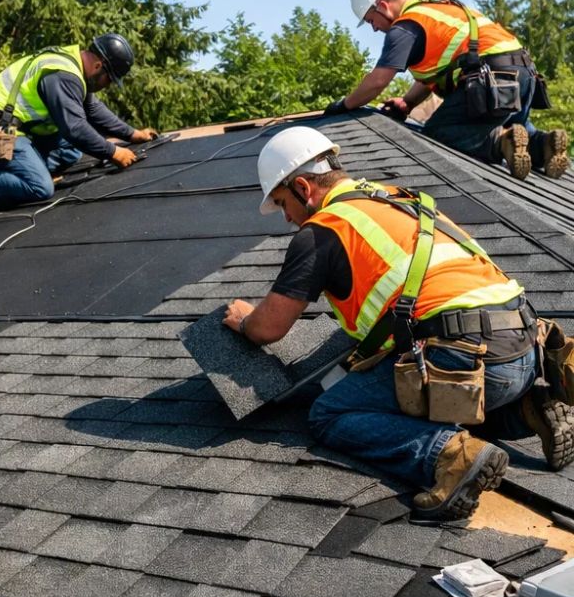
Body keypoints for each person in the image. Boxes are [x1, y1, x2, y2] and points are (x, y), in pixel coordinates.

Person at [223, 126, 574, 521]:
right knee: (434, 389)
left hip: (471, 359)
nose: (286, 217)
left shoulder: (323, 231)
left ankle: (450, 458)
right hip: (528, 347)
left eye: (283, 202)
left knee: (330, 414)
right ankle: (531, 407)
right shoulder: (395, 198)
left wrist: (244, 320)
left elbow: (269, 328)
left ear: (303, 187)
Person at [322, 0, 569, 181]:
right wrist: (407, 103)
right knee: (516, 130)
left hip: (492, 79)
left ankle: (499, 143)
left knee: (438, 132)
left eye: (371, 20)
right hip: (524, 75)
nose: (375, 28)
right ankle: (545, 145)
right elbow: (437, 71)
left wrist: (344, 105)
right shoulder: (434, 7)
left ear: (382, 6)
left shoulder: (406, 27)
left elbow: (378, 81)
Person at [0, 33, 159, 222]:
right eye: (109, 79)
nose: (107, 86)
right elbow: (76, 127)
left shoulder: (71, 65)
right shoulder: (62, 75)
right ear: (99, 65)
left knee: (70, 150)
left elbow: (92, 110)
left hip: (11, 131)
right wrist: (113, 152)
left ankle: (20, 173)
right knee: (39, 187)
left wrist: (132, 133)